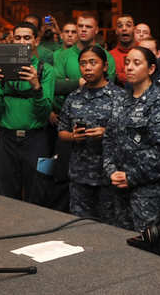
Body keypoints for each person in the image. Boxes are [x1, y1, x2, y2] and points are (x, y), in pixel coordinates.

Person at [103, 46, 160, 231]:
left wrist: (132, 176)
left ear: (151, 69)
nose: (129, 67)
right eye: (127, 62)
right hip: (119, 187)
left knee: (147, 250)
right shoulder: (121, 99)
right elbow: (109, 138)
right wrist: (111, 170)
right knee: (121, 243)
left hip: (149, 193)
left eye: (136, 63)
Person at [0, 22, 55, 200]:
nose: (22, 42)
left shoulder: (45, 70)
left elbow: (44, 112)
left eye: (27, 37)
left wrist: (36, 86)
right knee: (6, 193)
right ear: (12, 40)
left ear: (36, 41)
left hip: (36, 138)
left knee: (37, 192)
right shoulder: (1, 68)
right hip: (6, 138)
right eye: (18, 38)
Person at [58, 46, 126, 221]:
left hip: (109, 175)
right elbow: (61, 132)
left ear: (104, 66)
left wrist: (106, 133)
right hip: (80, 175)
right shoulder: (74, 97)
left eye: (92, 63)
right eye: (83, 64)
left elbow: (129, 135)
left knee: (110, 226)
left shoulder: (119, 97)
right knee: (80, 226)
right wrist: (73, 136)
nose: (87, 68)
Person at [109, 14, 136, 84]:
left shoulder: (143, 51)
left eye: (128, 25)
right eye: (120, 26)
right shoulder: (110, 56)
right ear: (116, 31)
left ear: (134, 29)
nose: (124, 29)